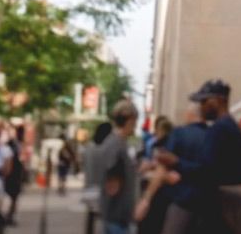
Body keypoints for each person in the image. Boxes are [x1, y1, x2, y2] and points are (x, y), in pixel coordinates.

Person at [156, 79, 241, 231]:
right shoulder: (229, 126)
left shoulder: (220, 129)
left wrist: (176, 162)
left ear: (218, 100)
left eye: (205, 101)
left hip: (217, 212)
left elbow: (207, 172)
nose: (202, 106)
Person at [135, 104, 208, 234]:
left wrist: (146, 199)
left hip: (180, 202)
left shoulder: (180, 134)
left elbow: (163, 166)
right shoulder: (212, 136)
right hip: (206, 205)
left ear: (190, 115)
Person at [96, 100, 138, 234]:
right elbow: (112, 181)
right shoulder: (116, 144)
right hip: (117, 216)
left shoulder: (117, 143)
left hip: (116, 215)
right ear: (130, 120)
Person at [82, 122, 113, 234]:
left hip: (89, 187)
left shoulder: (89, 147)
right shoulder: (106, 149)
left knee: (91, 218)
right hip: (102, 189)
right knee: (105, 220)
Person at [3, 125, 25, 226]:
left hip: (16, 176)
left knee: (14, 198)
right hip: (11, 175)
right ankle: (7, 216)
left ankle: (10, 216)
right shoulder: (11, 144)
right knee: (10, 197)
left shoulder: (20, 144)